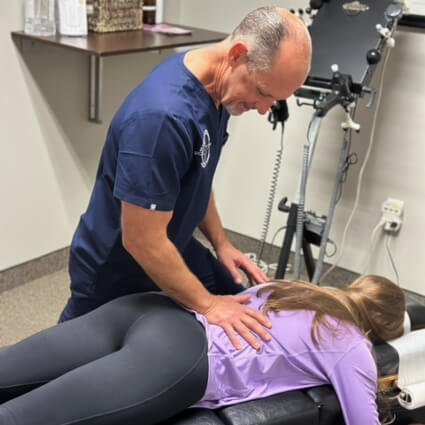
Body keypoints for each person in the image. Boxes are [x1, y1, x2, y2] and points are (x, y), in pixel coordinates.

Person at [59, 6, 312, 350]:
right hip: (117, 268)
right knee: (63, 369)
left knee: (248, 310)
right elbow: (141, 240)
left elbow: (197, 174)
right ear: (237, 55)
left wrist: (222, 243)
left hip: (171, 243)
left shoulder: (218, 92)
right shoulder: (163, 118)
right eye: (263, 93)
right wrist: (208, 305)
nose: (265, 108)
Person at [0, 275, 405, 425]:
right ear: (380, 329)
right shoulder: (352, 346)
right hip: (177, 359)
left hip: (149, 309)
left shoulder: (290, 287)